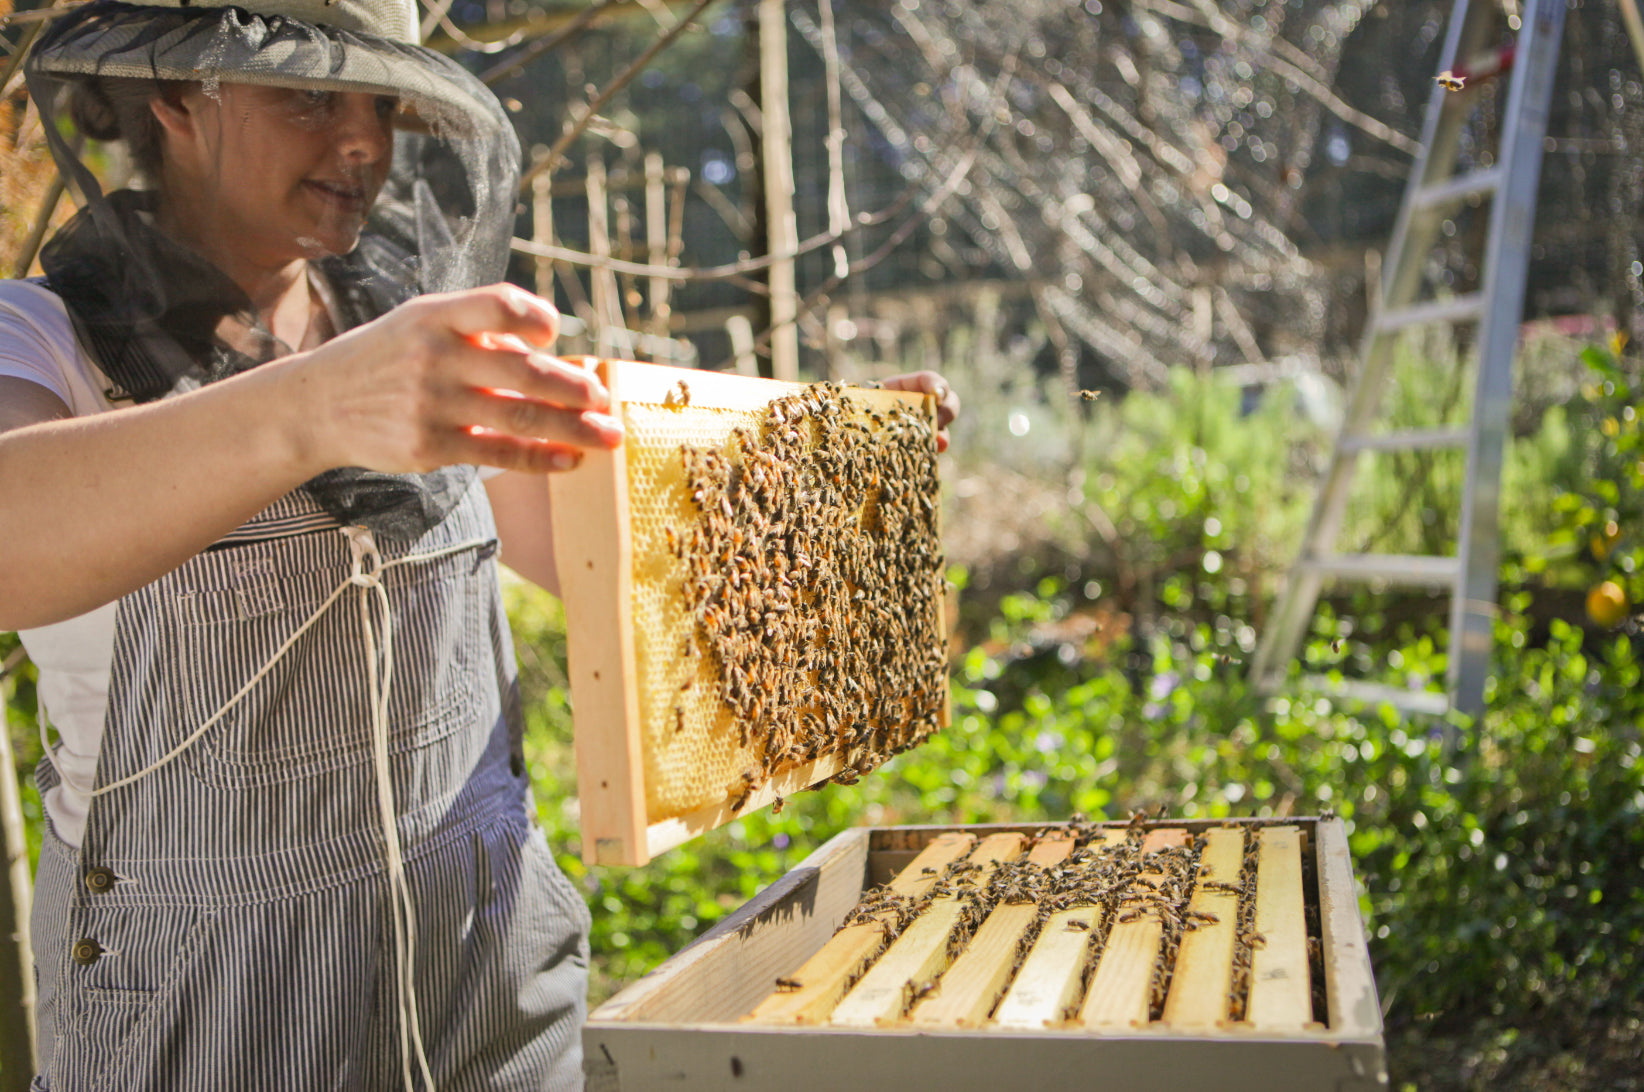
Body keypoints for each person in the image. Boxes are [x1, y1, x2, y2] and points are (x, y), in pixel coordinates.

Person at [0, 0, 961, 1088]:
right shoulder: (40, 337)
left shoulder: (419, 321)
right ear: (173, 94)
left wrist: (824, 494)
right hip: (195, 1018)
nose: (362, 140)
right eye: (311, 96)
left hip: (492, 988)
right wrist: (309, 408)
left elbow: (626, 561)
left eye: (380, 100)